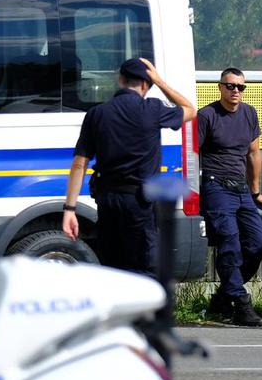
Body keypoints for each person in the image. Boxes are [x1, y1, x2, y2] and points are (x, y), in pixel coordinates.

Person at [62, 57, 194, 277]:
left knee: (112, 267)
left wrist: (70, 209)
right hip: (140, 205)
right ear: (145, 84)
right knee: (144, 267)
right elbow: (189, 109)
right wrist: (160, 82)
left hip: (108, 201)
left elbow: (79, 164)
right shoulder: (152, 109)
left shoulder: (97, 113)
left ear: (120, 79)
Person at [198, 67, 262, 327]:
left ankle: (224, 294)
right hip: (216, 186)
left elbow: (253, 153)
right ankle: (240, 303)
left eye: (240, 87)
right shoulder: (207, 115)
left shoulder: (249, 113)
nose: (236, 91)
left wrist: (256, 190)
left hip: (241, 189)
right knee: (229, 241)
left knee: (257, 242)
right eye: (231, 86)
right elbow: (192, 154)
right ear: (220, 87)